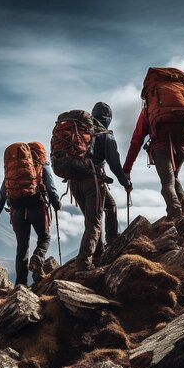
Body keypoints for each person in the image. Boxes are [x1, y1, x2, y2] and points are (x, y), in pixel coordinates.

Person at [0, 142, 61, 284]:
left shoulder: (13, 171)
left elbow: (1, 198)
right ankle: (38, 259)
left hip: (17, 211)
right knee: (44, 238)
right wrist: (56, 203)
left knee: (22, 247)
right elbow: (51, 189)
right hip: (37, 208)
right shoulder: (42, 166)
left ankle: (20, 283)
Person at [72, 102, 132, 271]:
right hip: (92, 183)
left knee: (108, 206)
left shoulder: (80, 131)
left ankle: (100, 253)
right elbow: (115, 164)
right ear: (108, 119)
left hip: (74, 182)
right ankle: (83, 263)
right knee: (94, 224)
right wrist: (126, 183)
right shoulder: (105, 135)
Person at [123, 109, 184, 221]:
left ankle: (175, 211)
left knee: (167, 182)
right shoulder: (183, 108)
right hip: (182, 149)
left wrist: (127, 168)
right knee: (173, 176)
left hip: (161, 148)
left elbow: (136, 139)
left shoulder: (149, 108)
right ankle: (182, 198)